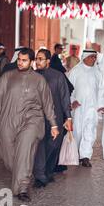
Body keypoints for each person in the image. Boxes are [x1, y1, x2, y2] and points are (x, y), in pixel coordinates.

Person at [0, 48, 59, 202]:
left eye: (24, 60)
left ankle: (23, 188)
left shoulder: (39, 80)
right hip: (8, 119)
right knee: (8, 154)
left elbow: (48, 103)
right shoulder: (7, 77)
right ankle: (22, 174)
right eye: (19, 59)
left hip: (32, 120)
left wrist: (53, 124)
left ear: (31, 61)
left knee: (25, 151)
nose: (20, 62)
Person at [33, 49, 72, 188]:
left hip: (56, 117)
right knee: (39, 146)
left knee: (53, 145)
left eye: (40, 59)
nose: (37, 62)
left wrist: (68, 118)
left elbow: (64, 97)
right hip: (37, 118)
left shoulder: (58, 76)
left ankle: (47, 172)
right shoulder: (32, 76)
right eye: (36, 59)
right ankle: (40, 175)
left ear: (48, 61)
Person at [68, 49, 104, 167]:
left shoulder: (98, 72)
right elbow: (68, 90)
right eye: (91, 57)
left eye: (95, 57)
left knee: (89, 132)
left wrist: (101, 105)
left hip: (92, 107)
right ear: (84, 57)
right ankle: (77, 153)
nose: (93, 59)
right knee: (78, 132)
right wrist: (72, 101)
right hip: (78, 108)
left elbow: (102, 90)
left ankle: (85, 156)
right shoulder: (75, 71)